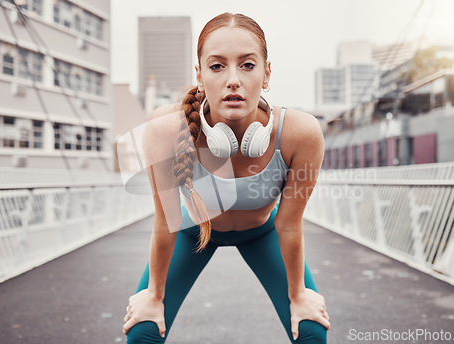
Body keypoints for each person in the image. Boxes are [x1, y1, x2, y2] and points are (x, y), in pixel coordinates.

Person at [123, 12, 329, 344]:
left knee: (310, 331)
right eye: (217, 66)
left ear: (266, 73)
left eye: (247, 65)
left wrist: (299, 294)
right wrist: (154, 295)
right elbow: (165, 222)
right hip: (193, 234)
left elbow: (289, 224)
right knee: (143, 330)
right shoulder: (166, 128)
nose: (233, 79)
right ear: (200, 76)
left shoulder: (298, 134)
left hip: (262, 233)